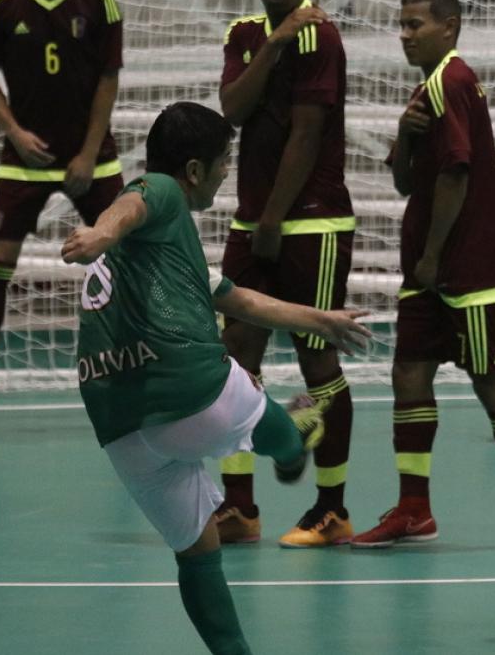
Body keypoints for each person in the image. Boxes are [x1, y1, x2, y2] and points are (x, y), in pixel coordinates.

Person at [61, 102, 371, 655]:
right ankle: (292, 445)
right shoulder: (160, 191)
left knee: (198, 552)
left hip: (118, 421)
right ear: (195, 170)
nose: (229, 172)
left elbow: (242, 299)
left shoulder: (161, 255)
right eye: (224, 161)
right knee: (262, 412)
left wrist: (318, 318)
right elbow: (134, 201)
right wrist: (100, 234)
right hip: (185, 388)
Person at [350, 0, 495, 551]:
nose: (404, 34)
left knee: (489, 381)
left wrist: (435, 255)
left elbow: (457, 173)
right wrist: (404, 136)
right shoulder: (426, 91)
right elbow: (406, 180)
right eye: (402, 24)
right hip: (426, 268)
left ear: (450, 28)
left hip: (469, 268)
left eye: (416, 25)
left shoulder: (454, 81)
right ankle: (414, 508)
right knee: (409, 374)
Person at [215, 0, 358, 547]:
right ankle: (239, 506)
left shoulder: (321, 36)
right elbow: (232, 110)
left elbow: (307, 130)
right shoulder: (245, 34)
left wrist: (274, 218)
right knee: (235, 354)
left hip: (311, 221)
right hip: (254, 219)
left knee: (316, 355)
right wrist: (273, 44)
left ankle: (332, 508)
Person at [0, 0, 125, 424]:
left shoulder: (98, 2)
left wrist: (86, 152)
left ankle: (134, 377)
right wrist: (15, 132)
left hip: (91, 159)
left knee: (128, 263)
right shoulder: (2, 4)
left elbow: (109, 77)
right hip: (25, 160)